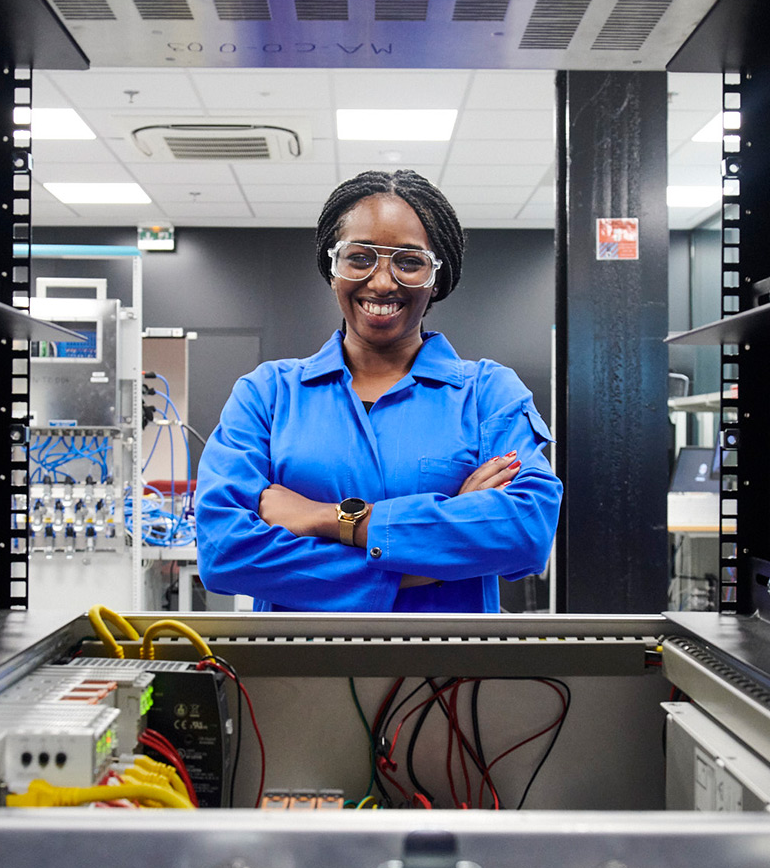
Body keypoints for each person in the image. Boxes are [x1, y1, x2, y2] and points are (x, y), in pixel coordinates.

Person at [194, 169, 561, 612]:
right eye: (359, 257)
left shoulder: (488, 395)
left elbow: (525, 531)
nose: (383, 281)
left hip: (451, 674)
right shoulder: (267, 396)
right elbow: (224, 554)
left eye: (409, 262)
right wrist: (431, 558)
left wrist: (328, 518)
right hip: (296, 674)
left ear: (436, 278)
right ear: (332, 268)